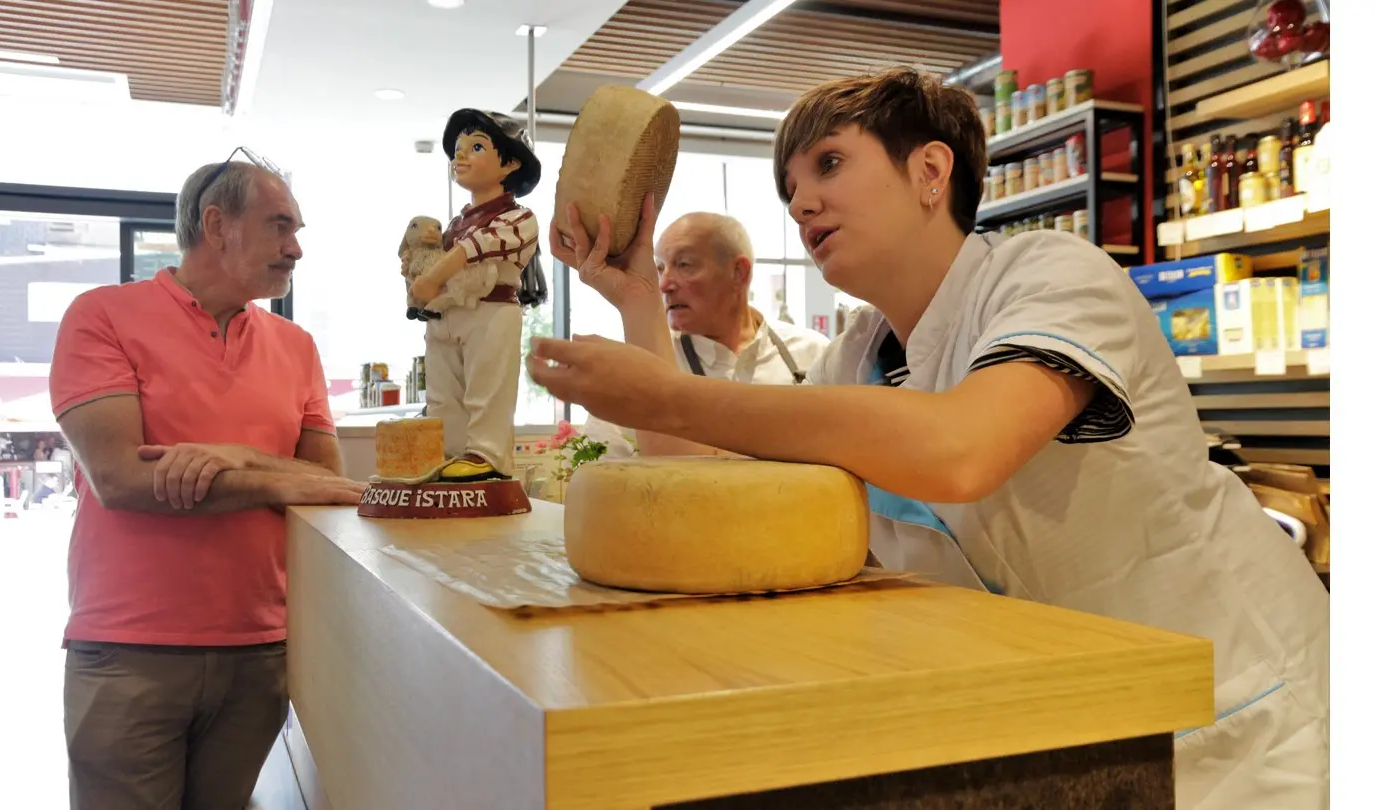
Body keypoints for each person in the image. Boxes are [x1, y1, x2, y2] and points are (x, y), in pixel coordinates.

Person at [530, 68, 1328, 810]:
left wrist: (675, 395)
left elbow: (962, 449)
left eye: (829, 165)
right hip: (1082, 726)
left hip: (1250, 715)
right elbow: (709, 490)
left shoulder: (1050, 272)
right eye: (789, 187)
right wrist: (638, 300)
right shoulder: (857, 351)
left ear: (930, 172)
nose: (801, 203)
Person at [49, 150, 368, 810]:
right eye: (281, 225)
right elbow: (121, 478)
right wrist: (277, 478)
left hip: (259, 654)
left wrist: (235, 458)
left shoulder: (296, 345)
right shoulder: (101, 315)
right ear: (218, 225)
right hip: (129, 650)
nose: (296, 248)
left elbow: (328, 487)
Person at [581, 211, 829, 458]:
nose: (664, 284)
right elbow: (602, 466)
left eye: (684, 265)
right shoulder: (639, 366)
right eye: (659, 269)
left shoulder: (813, 354)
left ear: (739, 272)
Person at [407, 109, 543, 483]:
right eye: (458, 149)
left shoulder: (518, 217)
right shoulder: (454, 223)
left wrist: (433, 277)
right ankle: (449, 452)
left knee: (487, 386)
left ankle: (486, 454)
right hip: (447, 312)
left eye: (476, 147)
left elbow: (476, 248)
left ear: (510, 163)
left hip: (491, 309)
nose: (461, 156)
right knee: (443, 391)